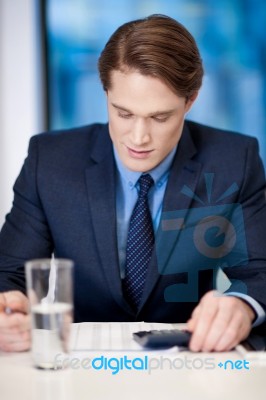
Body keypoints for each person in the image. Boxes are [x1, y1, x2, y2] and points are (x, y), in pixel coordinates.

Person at [0, 14, 266, 353]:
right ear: (105, 92)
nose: (138, 138)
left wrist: (242, 306)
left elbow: (260, 272)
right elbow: (8, 273)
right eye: (123, 113)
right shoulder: (50, 160)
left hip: (188, 360)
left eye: (160, 117)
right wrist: (7, 310)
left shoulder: (233, 160)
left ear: (191, 100)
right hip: (79, 364)